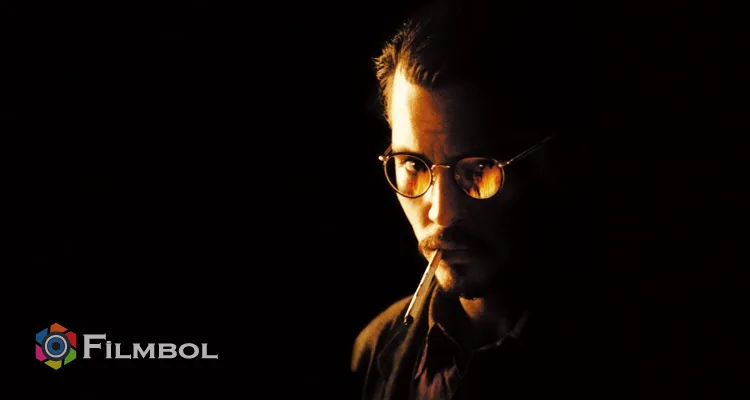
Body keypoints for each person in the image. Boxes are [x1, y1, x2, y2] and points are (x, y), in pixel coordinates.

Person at [350, 0, 612, 399]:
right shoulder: (375, 350)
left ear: (550, 162)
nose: (442, 213)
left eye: (478, 170)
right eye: (414, 165)